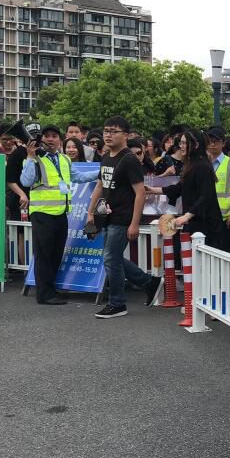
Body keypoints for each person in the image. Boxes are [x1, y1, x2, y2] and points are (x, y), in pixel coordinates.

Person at [86, 117, 159, 319]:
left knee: (111, 258)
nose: (108, 135)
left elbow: (140, 193)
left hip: (123, 216)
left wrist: (134, 223)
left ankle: (117, 303)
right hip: (106, 214)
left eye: (113, 131)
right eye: (106, 131)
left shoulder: (129, 159)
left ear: (125, 135)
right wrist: (91, 213)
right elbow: (100, 186)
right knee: (112, 257)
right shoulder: (106, 157)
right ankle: (149, 282)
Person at [20, 125, 100, 305]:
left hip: (61, 213)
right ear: (41, 139)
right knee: (44, 255)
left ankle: (51, 289)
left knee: (56, 254)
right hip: (42, 213)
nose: (50, 139)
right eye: (47, 136)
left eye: (54, 136)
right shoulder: (34, 158)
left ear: (60, 140)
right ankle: (44, 294)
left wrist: (100, 173)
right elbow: (26, 181)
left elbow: (78, 177)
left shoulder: (64, 158)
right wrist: (30, 157)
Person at [146, 129, 225, 249]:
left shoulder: (202, 166)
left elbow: (205, 196)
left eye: (184, 143)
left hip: (206, 225)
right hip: (194, 222)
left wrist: (187, 216)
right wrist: (152, 190)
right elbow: (179, 188)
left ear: (196, 145)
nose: (181, 146)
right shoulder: (191, 164)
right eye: (180, 143)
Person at [206, 126, 230, 254]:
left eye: (216, 141)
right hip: (207, 217)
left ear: (223, 143)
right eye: (210, 141)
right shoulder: (203, 163)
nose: (212, 144)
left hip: (225, 218)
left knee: (226, 253)